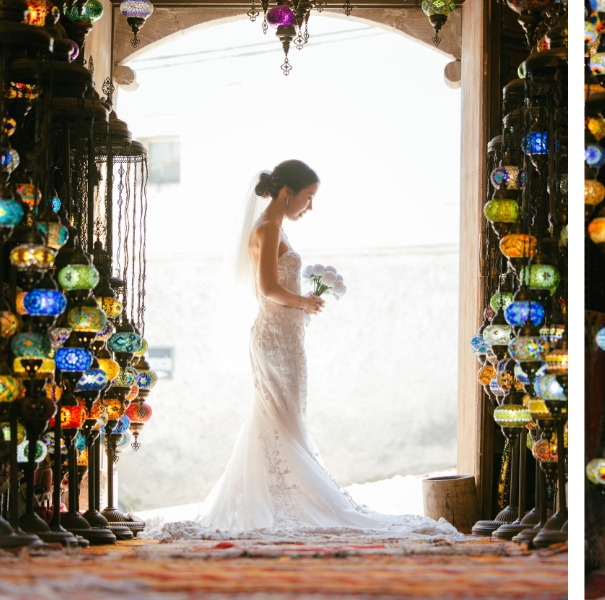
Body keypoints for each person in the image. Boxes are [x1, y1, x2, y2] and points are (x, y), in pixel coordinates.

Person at [147, 161, 456, 540]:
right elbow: (267, 288)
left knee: (285, 416)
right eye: (308, 198)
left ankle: (278, 500)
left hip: (286, 338)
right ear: (286, 192)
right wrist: (304, 302)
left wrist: (303, 302)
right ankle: (281, 503)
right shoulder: (266, 228)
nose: (309, 208)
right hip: (275, 339)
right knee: (281, 418)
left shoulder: (275, 228)